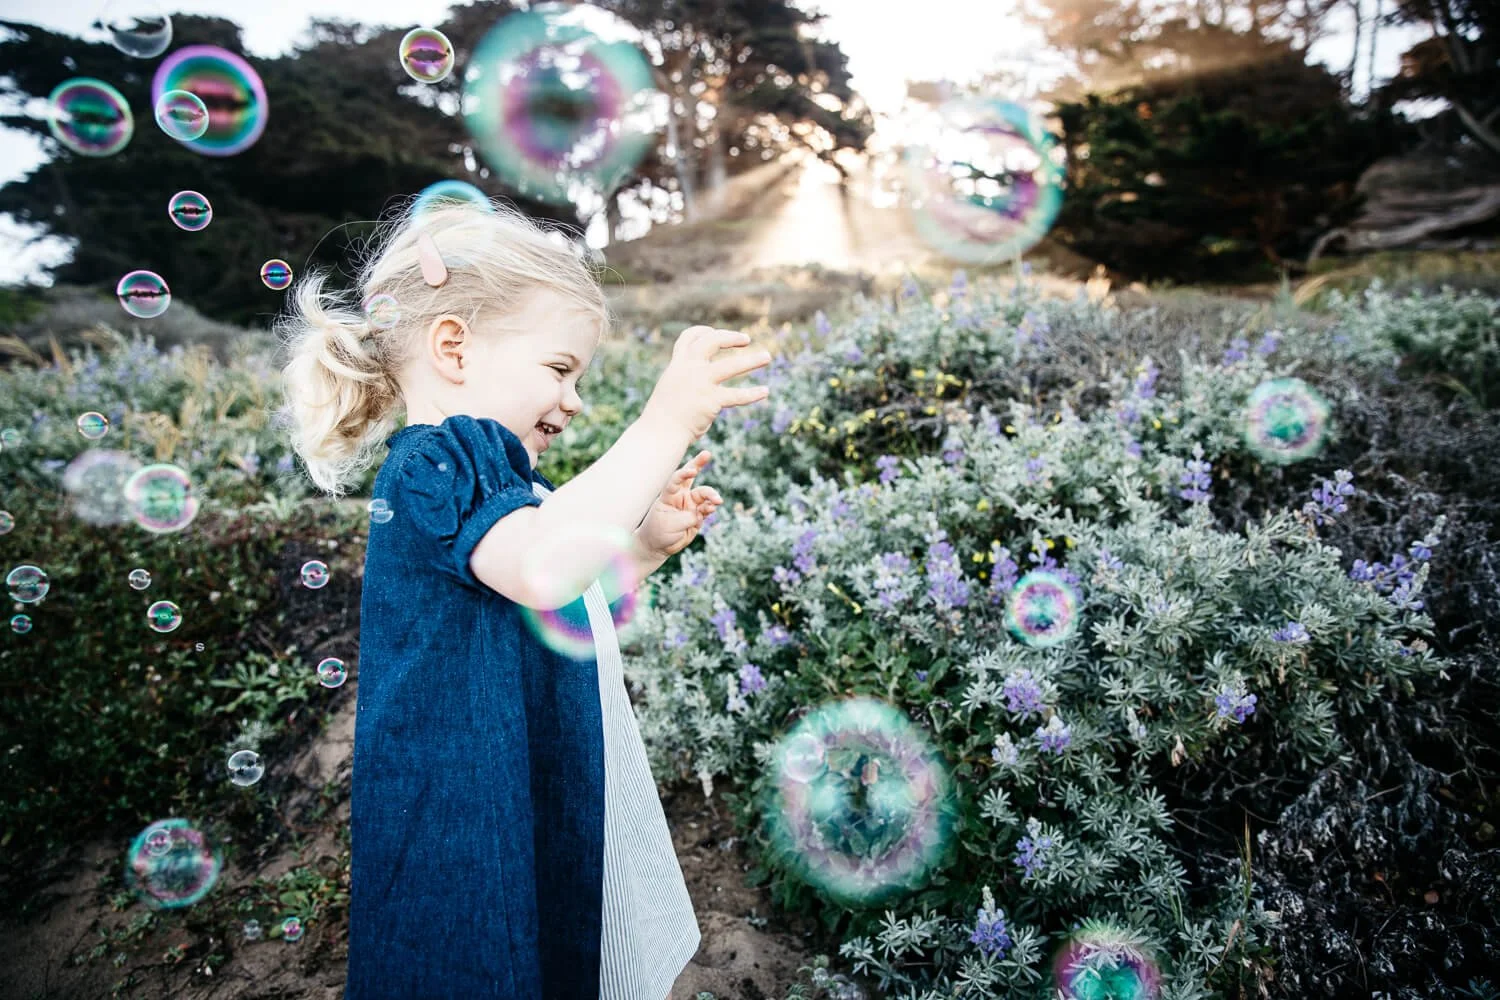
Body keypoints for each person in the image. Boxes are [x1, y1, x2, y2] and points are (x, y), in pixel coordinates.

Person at [274, 197, 774, 999]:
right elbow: (544, 568)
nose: (574, 399)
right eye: (558, 368)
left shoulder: (511, 487)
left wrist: (639, 548)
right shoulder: (433, 466)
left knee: (551, 942)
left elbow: (557, 599)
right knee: (485, 956)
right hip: (467, 810)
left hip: (531, 774)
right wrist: (666, 419)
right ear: (453, 347)